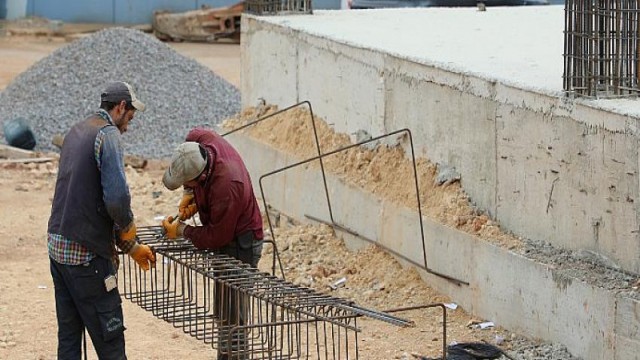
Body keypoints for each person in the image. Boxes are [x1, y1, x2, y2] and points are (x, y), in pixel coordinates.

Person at [47, 81, 156, 360]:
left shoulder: (76, 130)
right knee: (111, 342)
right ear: (120, 107)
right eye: (129, 118)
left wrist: (129, 248)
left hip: (58, 249)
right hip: (86, 257)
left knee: (69, 339)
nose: (127, 126)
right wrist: (129, 232)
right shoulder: (108, 136)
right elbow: (117, 200)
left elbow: (81, 193)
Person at [160, 127, 264, 360]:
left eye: (189, 183)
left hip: (241, 244)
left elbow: (218, 236)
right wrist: (191, 195)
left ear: (202, 177)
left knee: (233, 317)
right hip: (228, 230)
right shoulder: (200, 141)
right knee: (223, 313)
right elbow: (192, 133)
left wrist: (182, 230)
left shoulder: (227, 184)